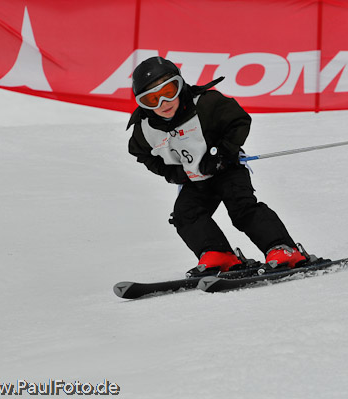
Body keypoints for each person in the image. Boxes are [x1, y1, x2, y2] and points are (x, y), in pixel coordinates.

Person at [127, 56, 306, 276]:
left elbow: (239, 121)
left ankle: (282, 249)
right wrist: (172, 172)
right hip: (193, 179)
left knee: (242, 209)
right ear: (142, 104)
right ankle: (218, 254)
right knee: (185, 215)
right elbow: (141, 153)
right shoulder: (144, 129)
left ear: (180, 85)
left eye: (169, 91)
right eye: (152, 99)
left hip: (226, 169)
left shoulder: (206, 103)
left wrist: (222, 153)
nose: (163, 102)